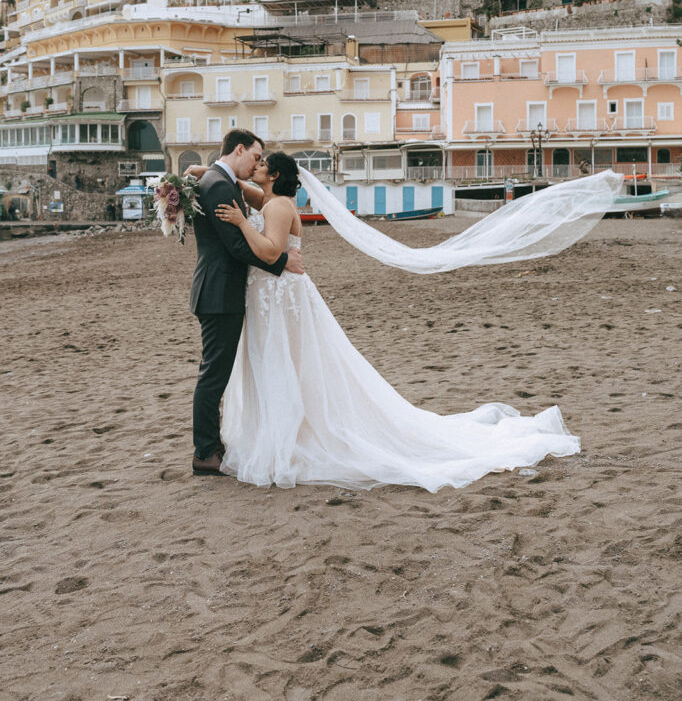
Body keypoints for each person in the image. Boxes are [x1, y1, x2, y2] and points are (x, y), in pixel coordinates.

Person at [210, 151, 580, 492]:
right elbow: (251, 193)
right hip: (278, 298)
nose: (254, 167)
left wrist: (242, 222)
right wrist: (210, 173)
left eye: (260, 166)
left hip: (280, 299)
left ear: (273, 175)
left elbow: (271, 251)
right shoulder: (274, 200)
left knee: (286, 365)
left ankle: (292, 435)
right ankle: (290, 430)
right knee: (292, 365)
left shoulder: (276, 207)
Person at [188, 130, 304, 478]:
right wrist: (282, 263)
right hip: (220, 293)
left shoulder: (224, 182)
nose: (257, 163)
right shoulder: (220, 184)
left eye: (262, 163)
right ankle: (205, 453)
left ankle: (211, 447)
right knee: (214, 376)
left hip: (225, 291)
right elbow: (238, 248)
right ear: (238, 150)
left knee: (221, 372)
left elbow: (253, 203)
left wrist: (198, 170)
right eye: (255, 156)